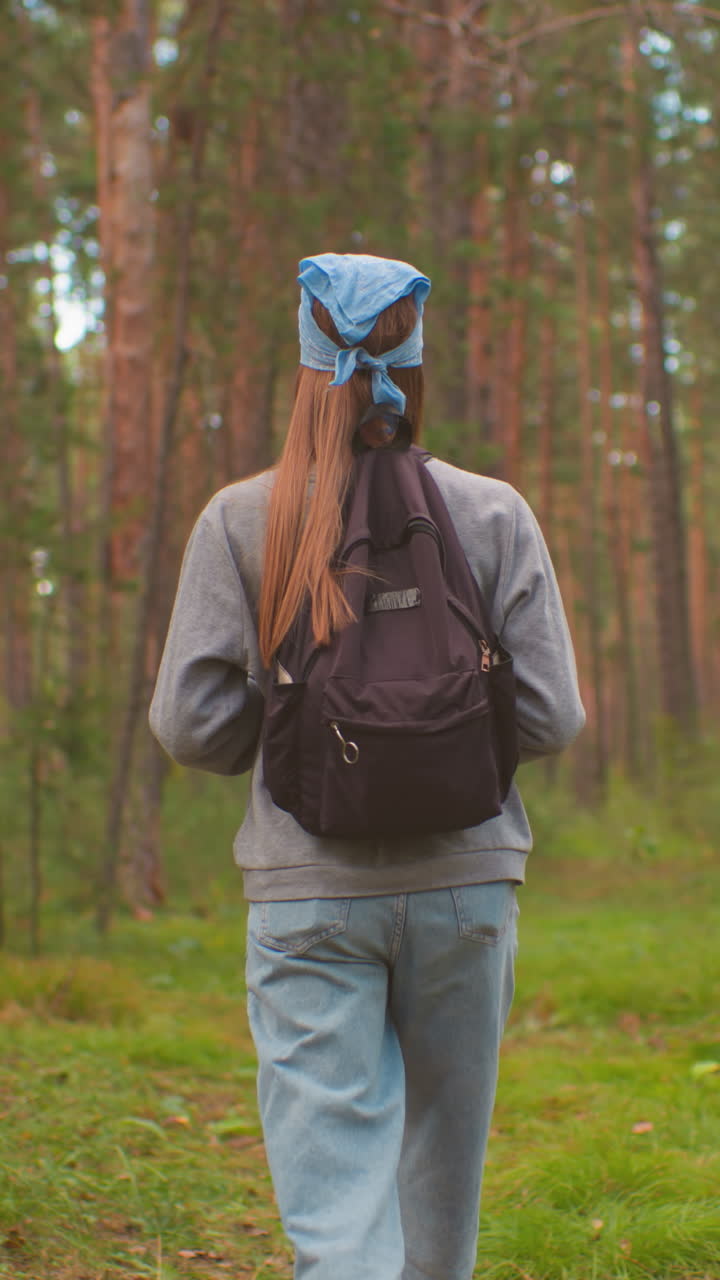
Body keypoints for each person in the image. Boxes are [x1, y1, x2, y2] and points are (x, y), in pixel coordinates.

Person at [150, 252, 585, 1280]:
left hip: (309, 896)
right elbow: (552, 713)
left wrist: (304, 723)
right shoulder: (491, 511)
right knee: (441, 1198)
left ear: (304, 364)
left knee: (339, 1215)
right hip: (467, 882)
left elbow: (189, 723)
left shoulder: (243, 518)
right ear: (414, 359)